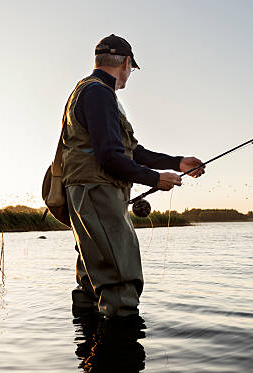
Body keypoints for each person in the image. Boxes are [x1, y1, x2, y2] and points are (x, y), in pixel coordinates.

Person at [61, 34, 204, 318]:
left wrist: (177, 163)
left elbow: (131, 150)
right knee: (120, 281)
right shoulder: (99, 93)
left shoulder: (88, 90)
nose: (129, 75)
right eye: (131, 69)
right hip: (98, 194)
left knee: (91, 280)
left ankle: (90, 354)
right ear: (126, 63)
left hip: (87, 194)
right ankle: (120, 359)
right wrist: (155, 179)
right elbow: (110, 157)